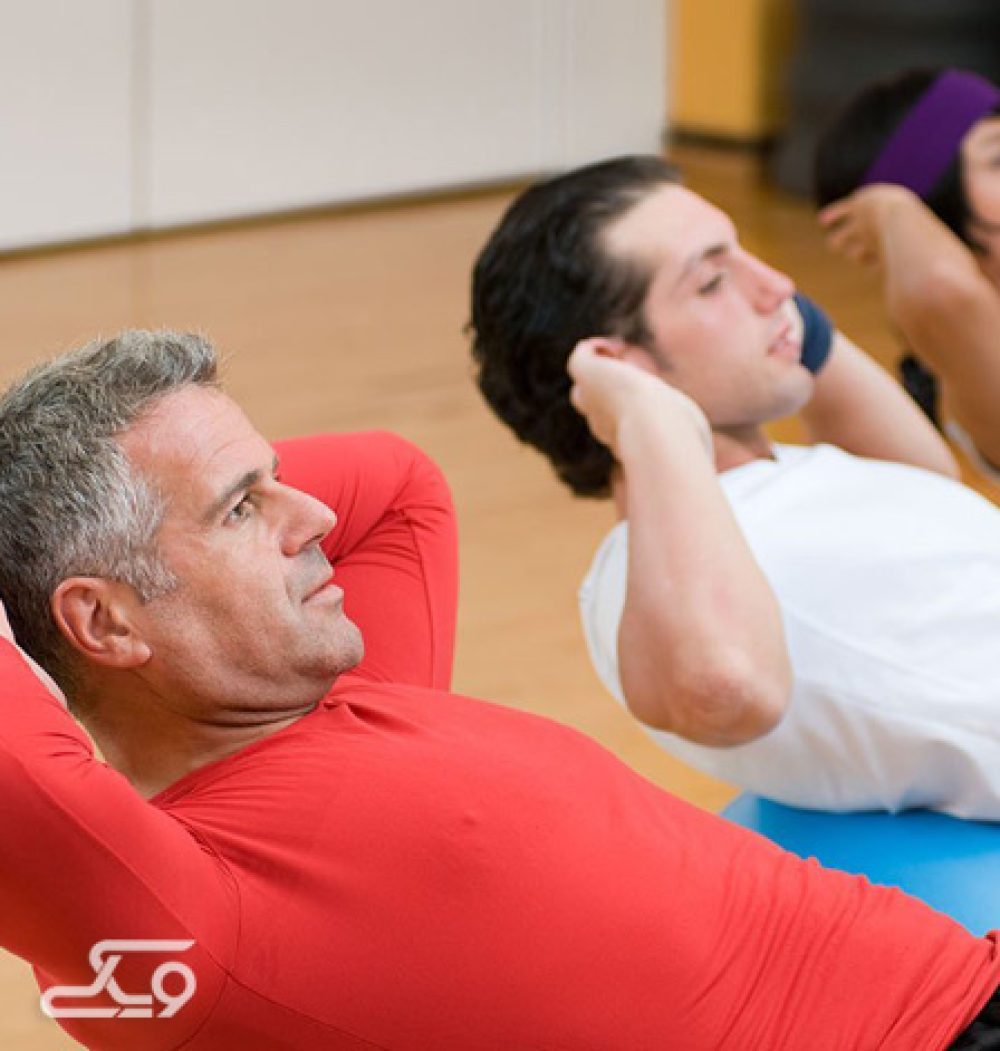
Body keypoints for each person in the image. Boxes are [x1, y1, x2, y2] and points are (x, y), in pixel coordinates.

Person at [1, 331, 999, 1050]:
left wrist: (201, 482)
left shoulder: (343, 689)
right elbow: (19, 778)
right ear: (106, 623)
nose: (312, 514)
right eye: (241, 508)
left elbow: (395, 485)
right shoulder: (188, 923)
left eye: (275, 476)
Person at [469, 154, 1000, 820]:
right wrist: (646, 416)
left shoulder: (771, 483)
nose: (778, 283)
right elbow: (723, 691)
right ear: (618, 368)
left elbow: (926, 482)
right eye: (714, 280)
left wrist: (769, 316)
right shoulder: (649, 578)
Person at [815, 67, 1000, 479]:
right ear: (935, 216)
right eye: (999, 160)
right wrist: (891, 207)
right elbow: (940, 287)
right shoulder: (974, 372)